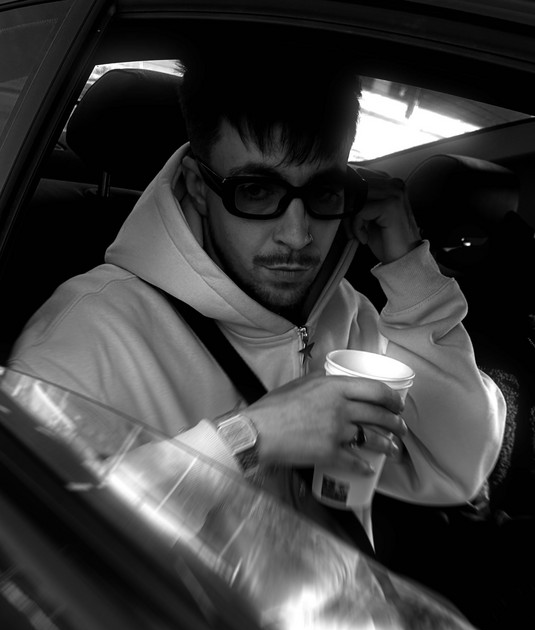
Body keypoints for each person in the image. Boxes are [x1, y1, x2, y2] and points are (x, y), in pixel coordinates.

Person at [8, 43, 505, 554]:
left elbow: (456, 468)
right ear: (197, 186)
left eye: (323, 190)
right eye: (256, 190)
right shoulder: (92, 330)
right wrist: (246, 440)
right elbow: (25, 547)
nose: (297, 235)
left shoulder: (347, 313)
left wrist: (410, 272)